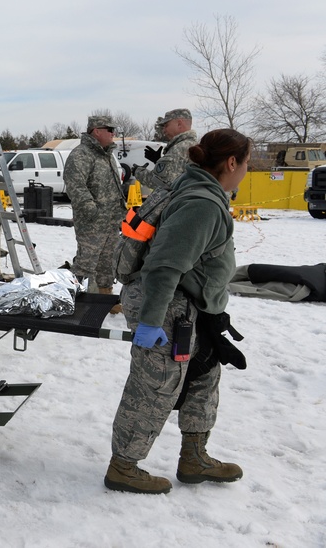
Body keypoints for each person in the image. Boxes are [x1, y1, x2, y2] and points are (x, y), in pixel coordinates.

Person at [105, 129, 250, 494]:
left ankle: (194, 457)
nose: (247, 170)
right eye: (247, 162)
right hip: (166, 304)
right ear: (231, 162)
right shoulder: (201, 203)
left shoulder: (196, 187)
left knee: (203, 374)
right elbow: (164, 266)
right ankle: (123, 467)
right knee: (155, 385)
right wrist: (152, 322)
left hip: (190, 305)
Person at [63, 115, 126, 312]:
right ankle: (68, 298)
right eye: (109, 129)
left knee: (107, 262)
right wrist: (93, 211)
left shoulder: (106, 155)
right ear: (96, 131)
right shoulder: (81, 155)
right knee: (86, 262)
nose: (113, 133)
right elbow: (76, 187)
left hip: (111, 221)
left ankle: (105, 299)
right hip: (92, 222)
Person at [133, 108, 198, 191]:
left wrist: (138, 171)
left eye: (166, 125)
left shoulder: (180, 148)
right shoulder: (193, 145)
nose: (164, 130)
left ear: (179, 124)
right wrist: (159, 162)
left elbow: (163, 184)